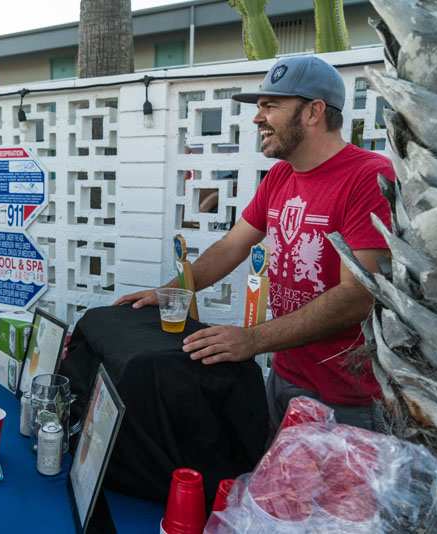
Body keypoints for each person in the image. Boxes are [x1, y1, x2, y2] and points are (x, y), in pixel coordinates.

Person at [116, 56, 394, 435]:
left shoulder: (368, 177)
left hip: (344, 398)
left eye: (271, 106)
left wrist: (252, 339)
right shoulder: (281, 175)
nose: (257, 118)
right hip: (283, 375)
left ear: (313, 112)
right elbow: (232, 245)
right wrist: (170, 291)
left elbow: (357, 295)